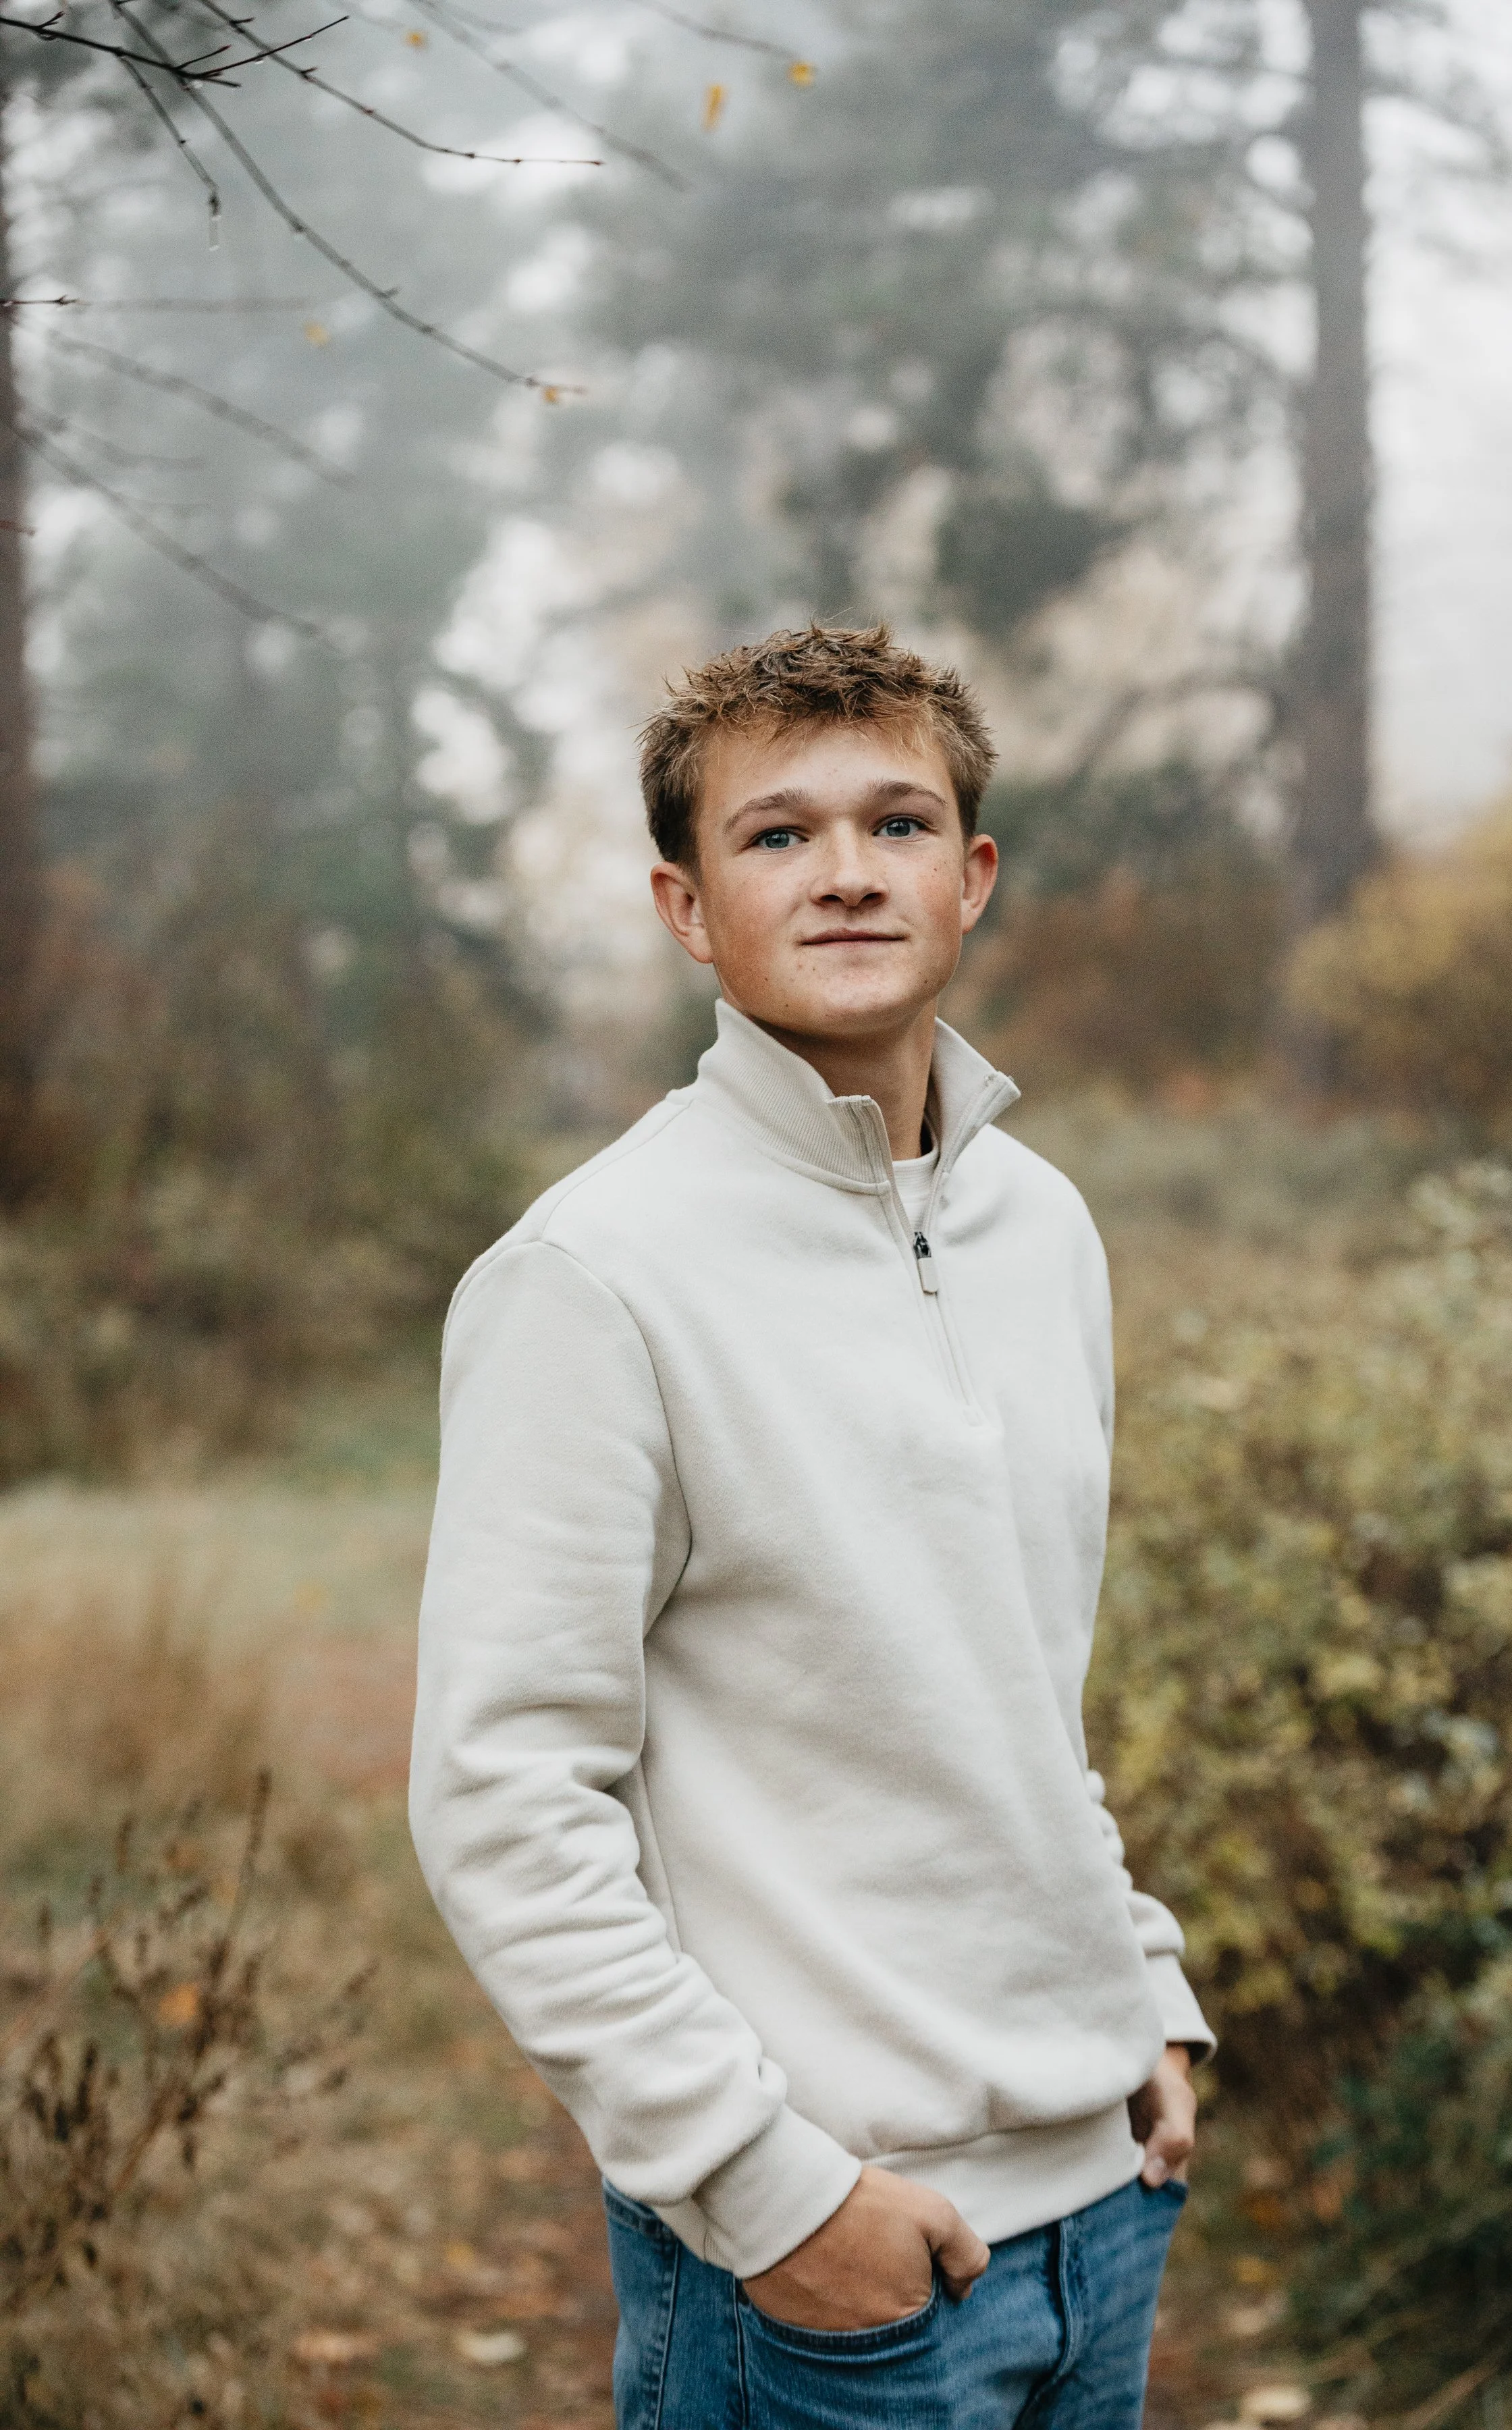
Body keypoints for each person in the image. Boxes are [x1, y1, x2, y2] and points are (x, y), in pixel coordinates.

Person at [409, 624, 1213, 2430]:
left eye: (897, 823)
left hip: (1107, 2211)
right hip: (839, 2274)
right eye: (776, 836)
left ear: (972, 876)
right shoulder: (592, 1279)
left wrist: (1143, 1990)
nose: (848, 871)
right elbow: (505, 1800)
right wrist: (771, 2197)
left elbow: (1009, 1682)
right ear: (687, 907)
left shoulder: (1045, 1230)